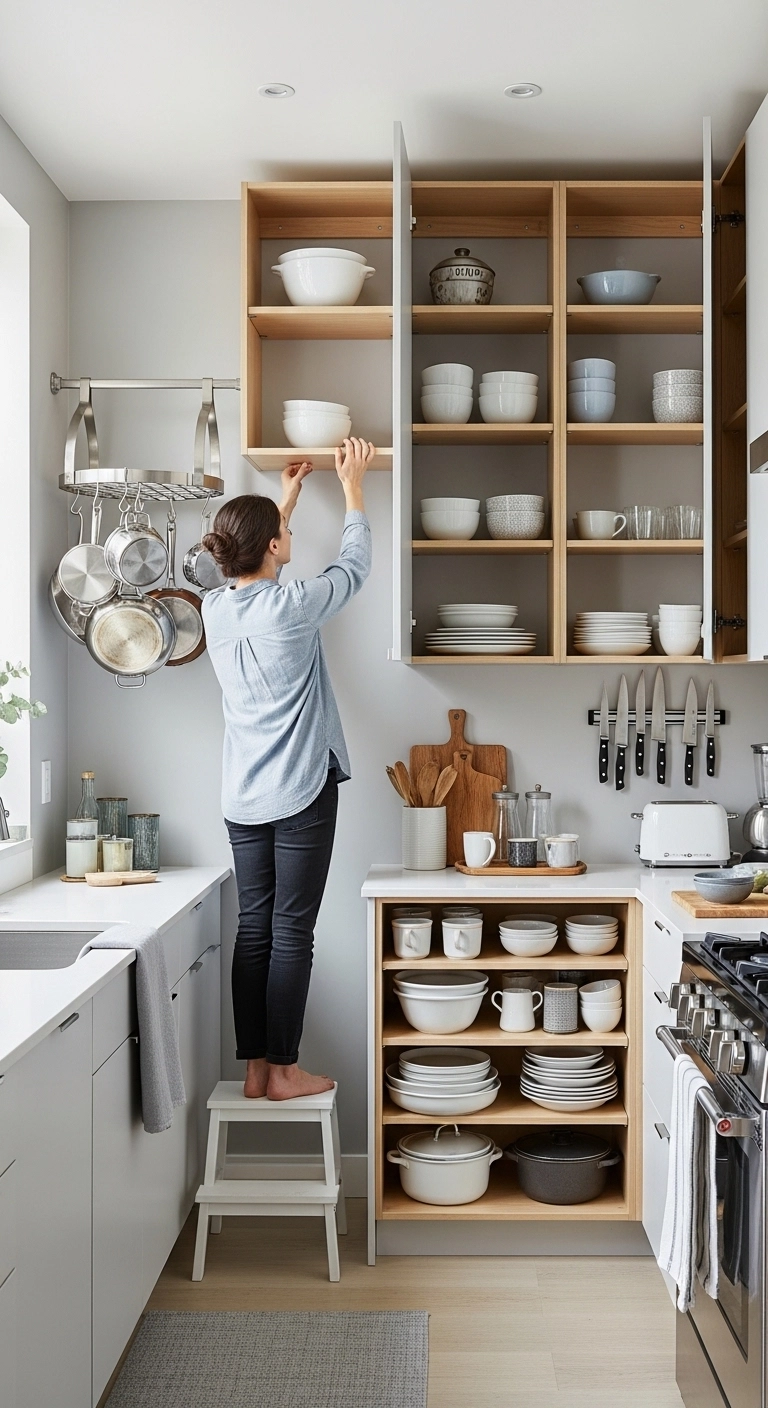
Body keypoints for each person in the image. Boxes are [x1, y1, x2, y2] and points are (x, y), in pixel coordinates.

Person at [201, 437, 375, 1100]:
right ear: (274, 546)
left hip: (242, 796)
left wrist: (286, 501)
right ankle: (284, 1071)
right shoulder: (293, 605)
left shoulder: (215, 610)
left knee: (255, 928)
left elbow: (251, 565)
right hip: (301, 792)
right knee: (291, 931)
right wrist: (353, 488)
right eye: (285, 533)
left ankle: (255, 1069)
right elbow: (353, 568)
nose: (291, 536)